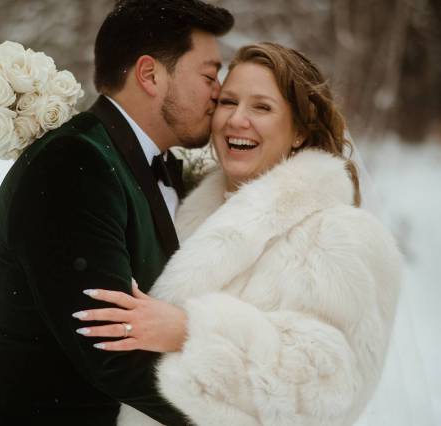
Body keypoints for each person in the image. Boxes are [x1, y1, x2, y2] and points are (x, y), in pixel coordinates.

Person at [75, 42, 402, 425]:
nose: (236, 120)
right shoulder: (190, 212)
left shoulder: (341, 233)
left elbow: (328, 386)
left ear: (299, 131)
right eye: (228, 102)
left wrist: (192, 331)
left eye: (261, 107)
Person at [0, 1, 234, 425]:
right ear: (150, 75)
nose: (221, 91)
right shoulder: (72, 166)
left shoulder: (142, 164)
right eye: (210, 75)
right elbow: (112, 353)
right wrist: (247, 412)